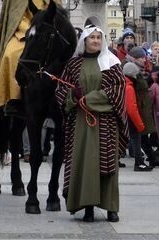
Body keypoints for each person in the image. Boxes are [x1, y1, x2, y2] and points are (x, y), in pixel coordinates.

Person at [56, 25, 128, 223]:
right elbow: (61, 90)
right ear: (85, 41)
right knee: (84, 163)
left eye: (99, 37)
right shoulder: (72, 65)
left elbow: (118, 90)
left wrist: (89, 99)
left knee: (107, 164)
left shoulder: (111, 62)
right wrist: (72, 95)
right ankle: (87, 206)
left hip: (106, 122)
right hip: (80, 123)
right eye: (92, 37)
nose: (96, 41)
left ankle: (111, 207)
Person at [122, 62, 155, 171]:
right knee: (136, 140)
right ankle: (139, 163)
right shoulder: (129, 87)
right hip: (131, 119)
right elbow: (132, 108)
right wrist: (140, 124)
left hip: (124, 118)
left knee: (122, 139)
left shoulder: (123, 83)